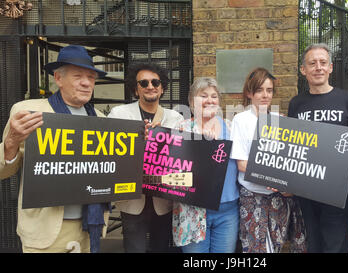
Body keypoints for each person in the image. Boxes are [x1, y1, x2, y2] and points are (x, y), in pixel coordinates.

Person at [0, 45, 110, 253]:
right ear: (58, 78)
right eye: (78, 76)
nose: (86, 83)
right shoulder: (27, 112)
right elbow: (4, 171)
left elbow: (109, 174)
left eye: (91, 77)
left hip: (87, 229)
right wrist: (11, 142)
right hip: (44, 232)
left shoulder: (102, 121)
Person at [288, 43, 348, 253]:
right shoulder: (296, 104)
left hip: (337, 189)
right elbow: (293, 144)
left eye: (323, 62)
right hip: (306, 188)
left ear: (331, 67)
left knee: (335, 246)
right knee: (312, 244)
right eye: (312, 63)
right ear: (303, 70)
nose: (318, 67)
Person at [108, 62, 184, 253]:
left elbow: (182, 157)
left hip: (163, 201)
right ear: (136, 89)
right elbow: (109, 153)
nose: (150, 86)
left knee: (160, 249)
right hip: (132, 200)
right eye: (144, 83)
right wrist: (139, 143)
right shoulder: (119, 115)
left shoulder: (176, 118)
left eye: (155, 82)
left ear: (162, 87)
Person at [230, 67, 306, 253]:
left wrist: (286, 186)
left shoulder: (279, 121)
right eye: (259, 90)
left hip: (279, 197)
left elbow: (289, 161)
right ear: (249, 92)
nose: (265, 95)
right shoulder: (240, 120)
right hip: (252, 195)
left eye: (269, 90)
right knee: (255, 249)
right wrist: (272, 177)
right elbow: (241, 164)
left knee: (277, 247)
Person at [171, 77, 239, 253]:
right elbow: (170, 169)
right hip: (192, 211)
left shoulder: (231, 127)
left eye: (214, 96)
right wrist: (203, 146)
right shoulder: (182, 128)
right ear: (192, 100)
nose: (210, 100)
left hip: (228, 211)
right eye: (203, 95)